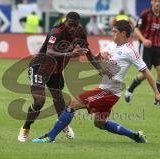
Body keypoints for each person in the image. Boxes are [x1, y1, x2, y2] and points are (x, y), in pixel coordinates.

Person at [31, 20, 160, 143]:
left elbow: (146, 71)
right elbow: (96, 59)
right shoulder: (112, 45)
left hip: (109, 92)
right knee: (100, 123)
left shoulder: (130, 51)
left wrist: (157, 93)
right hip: (106, 89)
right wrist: (100, 55)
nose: (112, 34)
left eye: (114, 32)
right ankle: (135, 136)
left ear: (123, 34)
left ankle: (50, 136)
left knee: (71, 104)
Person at [18, 11, 108, 142]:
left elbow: (87, 52)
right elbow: (49, 51)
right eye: (70, 25)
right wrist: (70, 53)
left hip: (56, 71)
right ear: (66, 22)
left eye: (75, 26)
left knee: (60, 101)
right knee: (39, 102)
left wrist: (100, 69)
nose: (72, 28)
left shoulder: (80, 32)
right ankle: (25, 128)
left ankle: (63, 125)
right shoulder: (57, 31)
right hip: (40, 67)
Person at [125, 0, 160, 105]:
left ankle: (158, 100)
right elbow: (136, 29)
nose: (157, 3)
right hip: (146, 47)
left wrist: (158, 44)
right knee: (145, 73)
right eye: (155, 1)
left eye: (159, 1)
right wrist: (144, 40)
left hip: (157, 47)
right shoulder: (145, 14)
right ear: (152, 2)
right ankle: (130, 89)